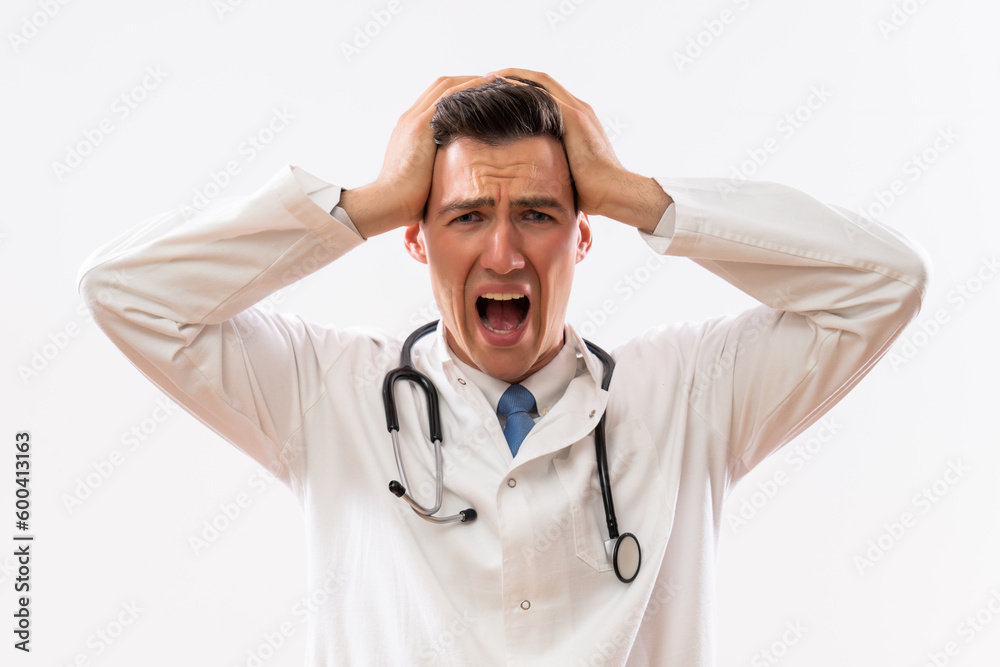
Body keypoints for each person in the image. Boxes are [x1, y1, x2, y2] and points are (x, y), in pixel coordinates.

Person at [78, 69, 929, 666]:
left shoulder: (690, 393)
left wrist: (633, 192)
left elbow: (885, 283)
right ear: (416, 240)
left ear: (583, 235)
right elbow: (125, 292)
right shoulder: (326, 391)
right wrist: (365, 204)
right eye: (465, 216)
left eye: (538, 214)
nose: (504, 252)